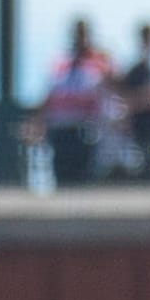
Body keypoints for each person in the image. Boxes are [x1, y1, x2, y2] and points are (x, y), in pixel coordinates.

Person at [37, 18, 112, 187]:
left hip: (86, 130)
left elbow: (112, 90)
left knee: (85, 179)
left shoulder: (99, 62)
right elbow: (49, 94)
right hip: (61, 129)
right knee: (61, 177)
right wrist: (38, 122)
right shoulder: (60, 63)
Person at [118, 22, 150, 182]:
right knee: (144, 164)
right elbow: (126, 97)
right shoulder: (136, 70)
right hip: (141, 124)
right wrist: (148, 98)